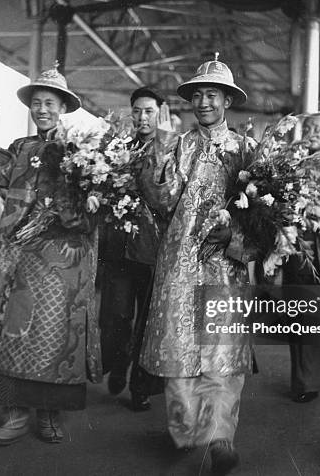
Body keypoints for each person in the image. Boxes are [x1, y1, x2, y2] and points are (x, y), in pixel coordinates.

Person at [0, 67, 101, 446]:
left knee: (54, 335)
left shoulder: (83, 150)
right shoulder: (21, 149)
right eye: (36, 103)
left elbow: (93, 208)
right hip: (18, 257)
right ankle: (14, 413)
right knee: (11, 333)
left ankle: (49, 414)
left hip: (61, 261)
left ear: (63, 109)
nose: (42, 109)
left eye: (49, 103)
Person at [139, 56, 255, 475]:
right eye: (199, 94)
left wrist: (236, 238)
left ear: (227, 100)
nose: (205, 101)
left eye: (213, 94)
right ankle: (186, 431)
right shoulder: (177, 144)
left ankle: (220, 436)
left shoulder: (247, 149)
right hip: (179, 265)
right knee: (179, 350)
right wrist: (159, 150)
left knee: (222, 351)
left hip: (226, 266)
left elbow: (263, 216)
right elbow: (162, 199)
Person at [98, 86, 170, 411]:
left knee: (148, 322)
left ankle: (141, 386)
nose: (142, 118)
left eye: (149, 112)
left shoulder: (171, 150)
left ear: (160, 114)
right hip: (119, 249)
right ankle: (117, 362)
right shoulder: (119, 149)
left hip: (154, 249)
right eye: (137, 111)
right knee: (116, 314)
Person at [286, 111, 320, 403]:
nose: (313, 133)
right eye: (308, 128)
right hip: (298, 251)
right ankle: (306, 383)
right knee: (302, 316)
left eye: (319, 129)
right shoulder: (290, 164)